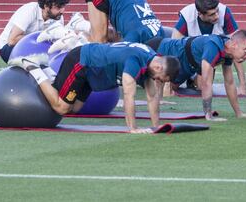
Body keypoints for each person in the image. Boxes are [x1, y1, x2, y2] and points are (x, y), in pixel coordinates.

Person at [15, 41, 180, 134]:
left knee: (75, 108)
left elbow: (152, 97)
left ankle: (45, 68)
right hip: (82, 62)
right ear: (158, 68)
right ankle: (33, 67)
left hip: (92, 73)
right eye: (161, 79)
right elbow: (129, 96)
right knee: (62, 107)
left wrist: (157, 126)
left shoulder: (151, 59)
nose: (159, 82)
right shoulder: (135, 61)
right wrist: (133, 128)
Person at [147, 30, 246, 121]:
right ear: (234, 45)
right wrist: (208, 115)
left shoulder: (228, 51)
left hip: (186, 62)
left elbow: (229, 83)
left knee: (169, 85)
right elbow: (206, 83)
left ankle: (159, 99)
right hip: (159, 48)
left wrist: (239, 113)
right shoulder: (213, 47)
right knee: (139, 78)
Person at [171, 0, 246, 95]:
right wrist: (169, 79)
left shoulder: (225, 13)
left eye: (217, 12)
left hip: (205, 57)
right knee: (172, 85)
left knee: (202, 86)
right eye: (212, 14)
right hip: (188, 55)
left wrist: (243, 86)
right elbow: (173, 48)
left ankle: (194, 80)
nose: (217, 16)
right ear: (200, 14)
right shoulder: (187, 16)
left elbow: (237, 49)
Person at [0, 0, 70, 63]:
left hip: (34, 47)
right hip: (8, 47)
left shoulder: (57, 17)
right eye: (58, 8)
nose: (62, 11)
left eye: (63, 7)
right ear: (46, 6)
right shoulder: (29, 11)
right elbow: (12, 40)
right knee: (41, 62)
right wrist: (42, 36)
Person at [85, 0, 165, 43]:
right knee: (99, 41)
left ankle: (81, 25)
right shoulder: (134, 38)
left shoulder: (161, 33)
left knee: (117, 39)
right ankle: (79, 36)